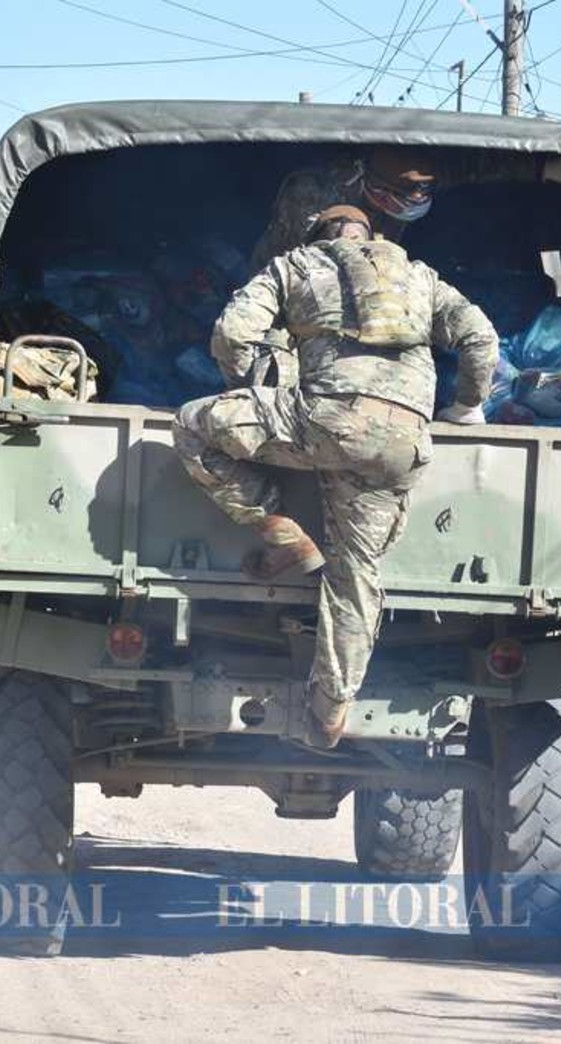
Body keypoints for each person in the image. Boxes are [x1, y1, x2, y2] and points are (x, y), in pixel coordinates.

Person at [174, 205, 498, 749]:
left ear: (319, 235)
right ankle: (328, 714)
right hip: (402, 442)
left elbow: (233, 333)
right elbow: (481, 340)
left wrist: (250, 386)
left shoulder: (297, 264)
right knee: (355, 575)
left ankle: (282, 529)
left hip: (322, 420)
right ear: (371, 237)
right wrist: (466, 406)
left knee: (190, 424)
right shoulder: (420, 275)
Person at [250, 147, 438, 271]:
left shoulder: (390, 205)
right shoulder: (313, 192)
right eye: (405, 201)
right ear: (380, 194)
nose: (412, 208)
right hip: (286, 277)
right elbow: (307, 263)